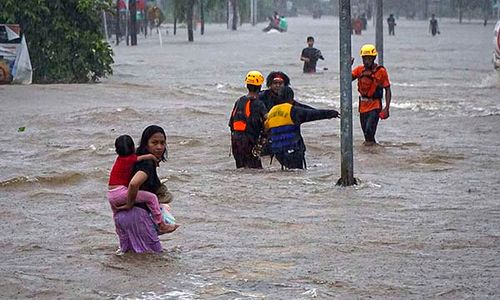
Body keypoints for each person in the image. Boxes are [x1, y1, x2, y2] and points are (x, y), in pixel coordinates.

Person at [114, 125, 180, 254]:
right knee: (156, 258)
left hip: (121, 217)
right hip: (137, 216)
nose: (159, 147)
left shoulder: (134, 159)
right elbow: (134, 184)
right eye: (154, 143)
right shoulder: (147, 164)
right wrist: (130, 203)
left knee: (128, 258)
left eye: (162, 143)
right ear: (146, 144)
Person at [107, 135, 175, 235]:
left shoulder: (119, 159)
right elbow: (143, 158)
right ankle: (161, 224)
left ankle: (119, 230)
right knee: (151, 198)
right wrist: (152, 157)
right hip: (121, 192)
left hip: (111, 194)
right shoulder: (130, 159)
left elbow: (137, 154)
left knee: (117, 212)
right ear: (131, 147)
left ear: (117, 150)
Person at [264, 86, 340, 169]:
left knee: (286, 173)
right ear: (292, 98)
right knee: (297, 174)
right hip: (293, 150)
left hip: (278, 153)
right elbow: (313, 114)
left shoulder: (271, 112)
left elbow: (266, 128)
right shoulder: (293, 111)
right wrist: (332, 113)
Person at [351, 44, 392, 146]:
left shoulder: (381, 71)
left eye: (369, 58)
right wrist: (348, 66)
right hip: (363, 106)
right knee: (366, 134)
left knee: (369, 130)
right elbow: (346, 79)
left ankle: (372, 152)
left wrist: (387, 108)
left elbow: (387, 89)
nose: (366, 61)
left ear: (374, 58)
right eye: (364, 58)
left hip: (375, 105)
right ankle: (371, 152)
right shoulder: (359, 70)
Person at [228, 71, 268, 168]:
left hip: (236, 141)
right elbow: (267, 122)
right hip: (250, 140)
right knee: (255, 169)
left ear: (247, 85)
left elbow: (231, 123)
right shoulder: (259, 104)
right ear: (260, 87)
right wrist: (264, 139)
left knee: (241, 168)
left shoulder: (239, 101)